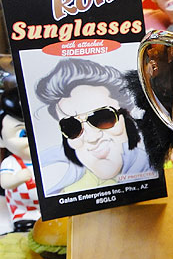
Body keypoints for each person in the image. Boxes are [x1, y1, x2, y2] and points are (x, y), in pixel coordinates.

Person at [36, 59, 154, 194]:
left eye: (103, 118)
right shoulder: (55, 182)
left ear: (127, 116)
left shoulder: (151, 168)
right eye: (72, 126)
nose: (92, 138)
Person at [0, 87, 39, 233]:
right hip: (23, 209)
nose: (33, 139)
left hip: (47, 208)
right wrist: (17, 178)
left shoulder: (48, 159)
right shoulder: (11, 163)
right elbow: (5, 182)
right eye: (24, 134)